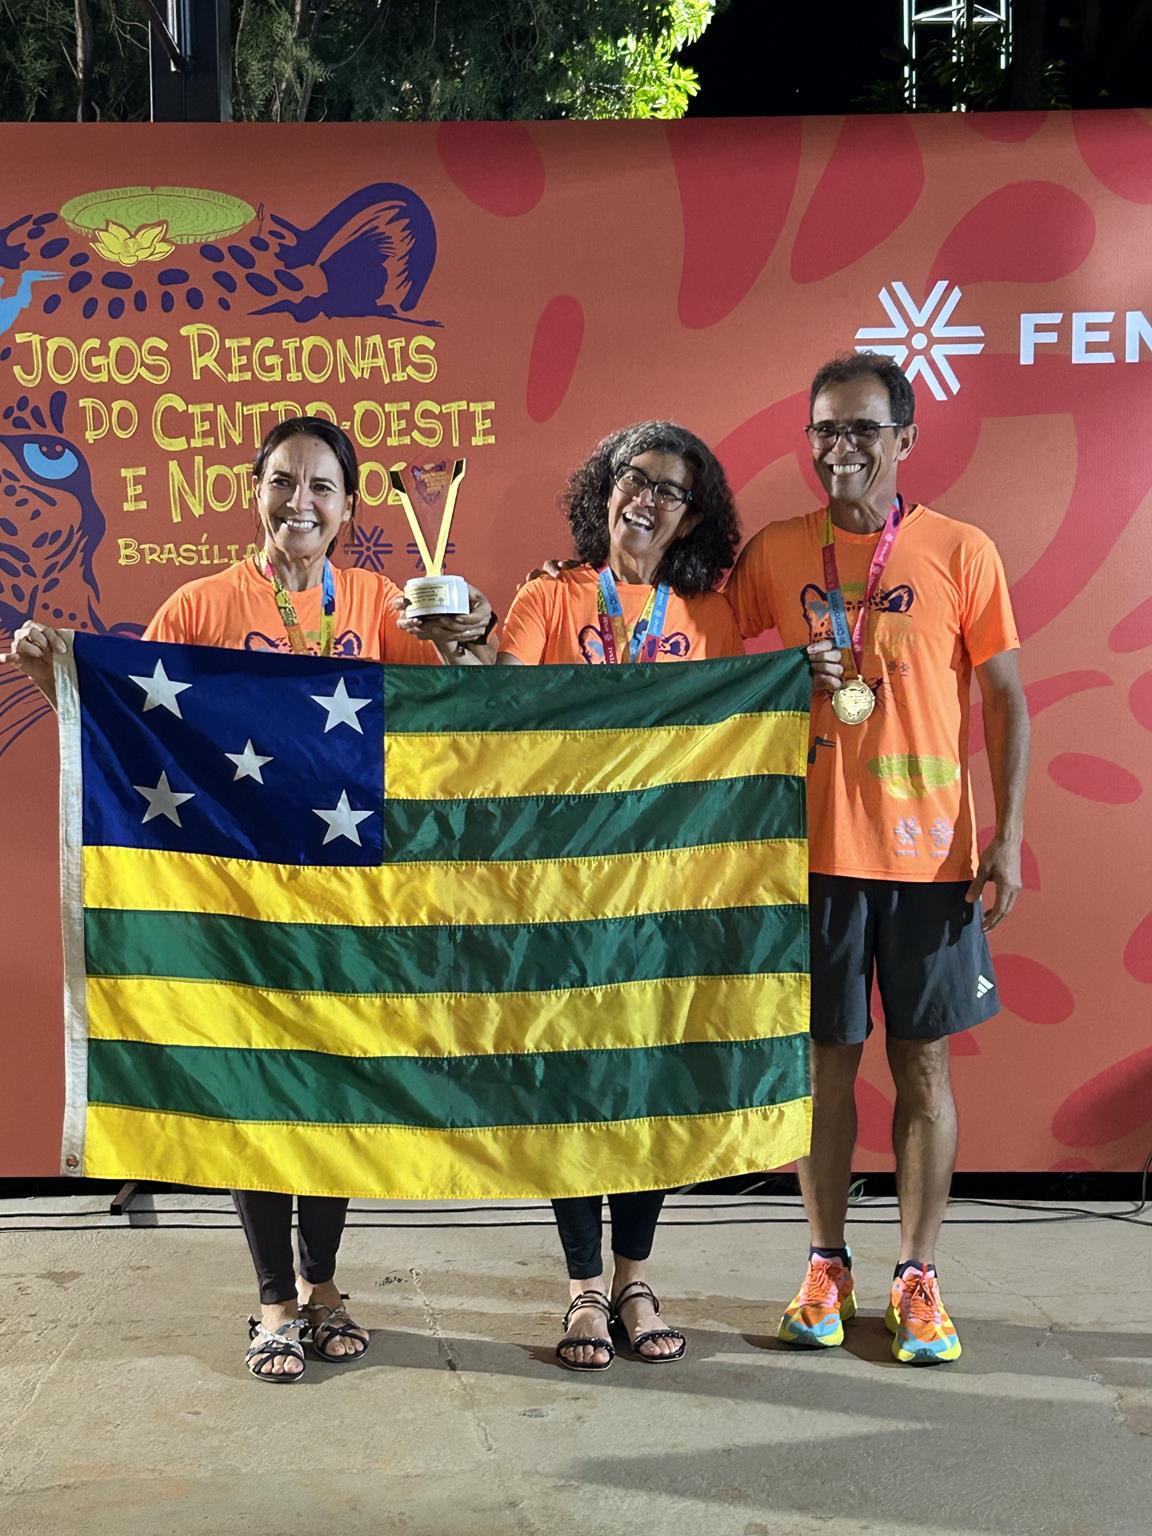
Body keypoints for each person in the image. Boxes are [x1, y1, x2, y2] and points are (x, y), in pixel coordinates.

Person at [5, 415, 495, 1381]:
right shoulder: (199, 605)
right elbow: (126, 727)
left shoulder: (382, 602)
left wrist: (466, 635)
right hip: (238, 899)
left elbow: (462, 709)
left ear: (348, 508)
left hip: (352, 897)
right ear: (255, 491)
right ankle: (275, 1301)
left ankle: (324, 1286)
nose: (299, 501)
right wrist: (55, 677)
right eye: (282, 481)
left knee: (333, 1089)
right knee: (258, 1091)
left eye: (321, 486)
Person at [725, 352, 1030, 1364]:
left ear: (904, 439)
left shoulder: (961, 550)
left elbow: (1005, 698)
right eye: (825, 429)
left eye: (861, 428)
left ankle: (917, 1274)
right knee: (825, 1069)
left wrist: (1008, 837)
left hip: (933, 860)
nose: (840, 447)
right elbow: (698, 649)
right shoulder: (778, 551)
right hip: (813, 858)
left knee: (924, 1067)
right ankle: (826, 1264)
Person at [498, 420, 745, 1370]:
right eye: (633, 477)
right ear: (604, 488)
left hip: (668, 890)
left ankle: (635, 1278)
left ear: (691, 518)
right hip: (565, 885)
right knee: (576, 1084)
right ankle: (582, 1289)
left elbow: (737, 735)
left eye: (669, 490)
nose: (646, 498)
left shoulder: (709, 617)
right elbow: (501, 712)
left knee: (648, 1084)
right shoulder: (548, 596)